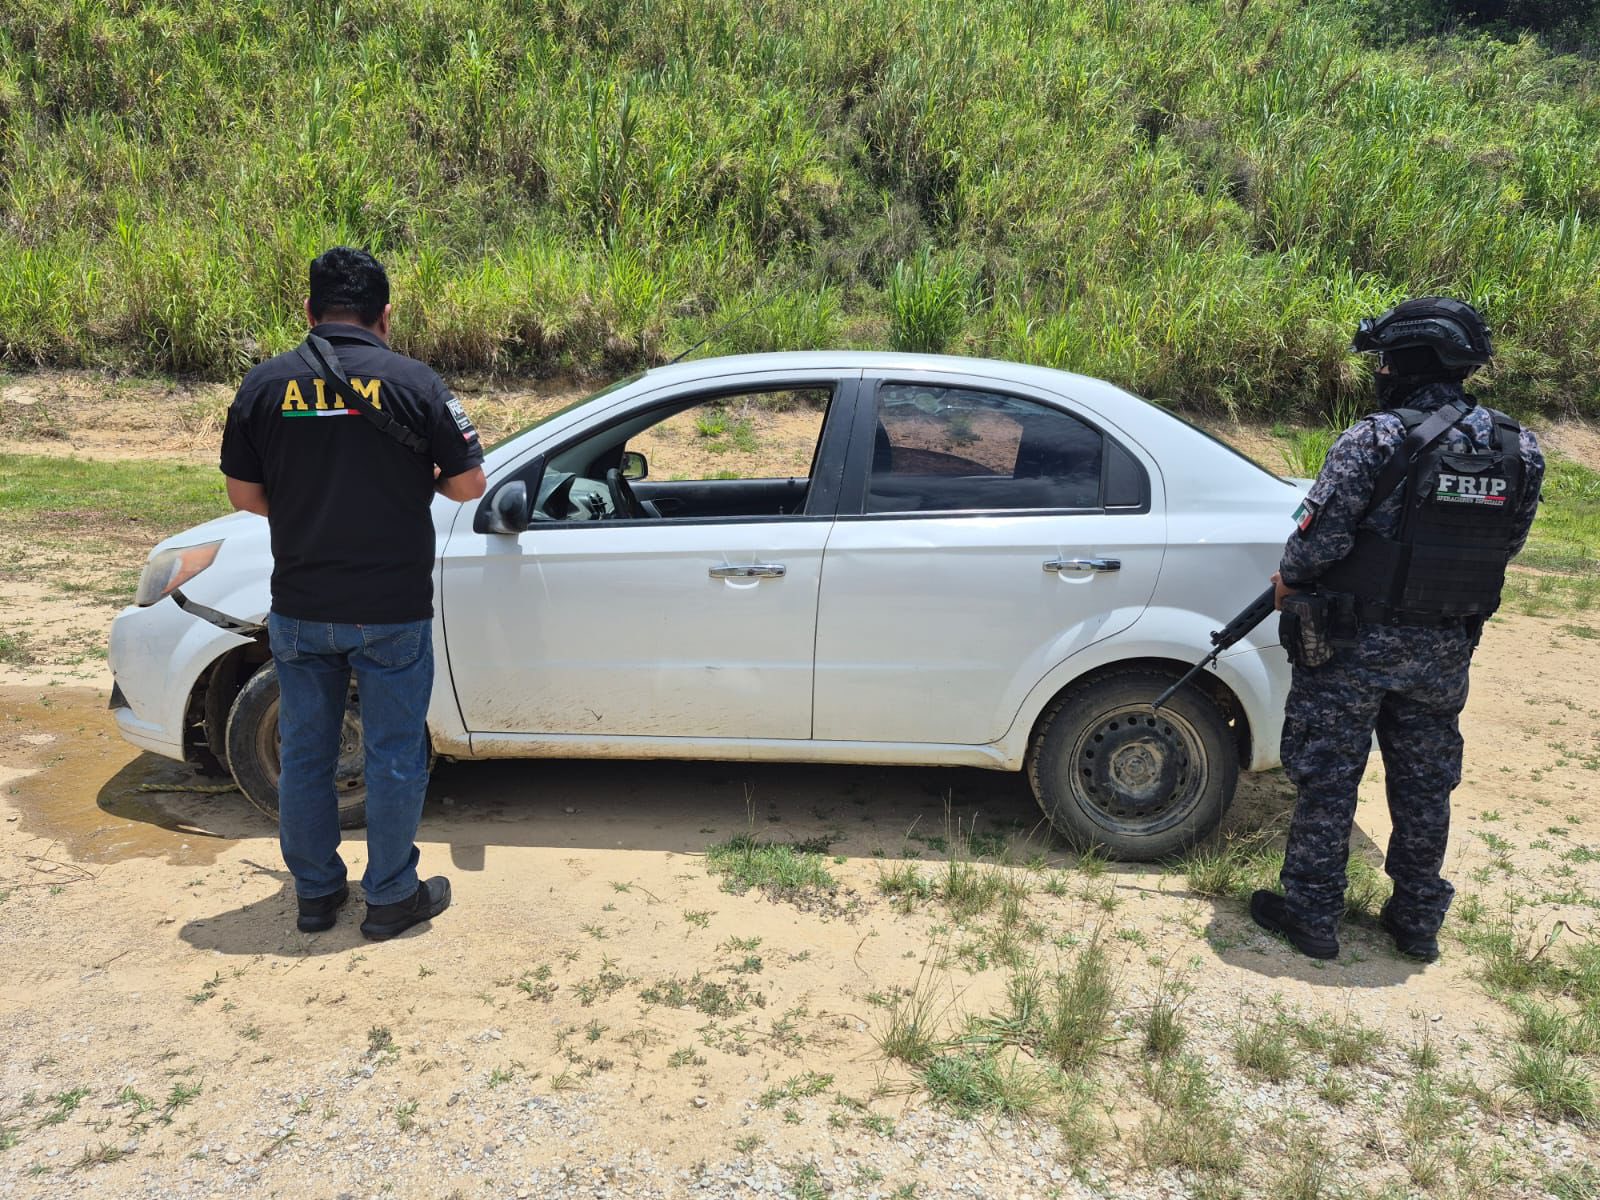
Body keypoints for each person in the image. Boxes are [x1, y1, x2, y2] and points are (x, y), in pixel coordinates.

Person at [1250, 297, 1544, 963]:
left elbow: (1312, 550)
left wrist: (1292, 578)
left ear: (1409, 360)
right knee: (1424, 782)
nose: (1379, 370)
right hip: (1444, 649)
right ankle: (1416, 920)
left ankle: (1312, 913)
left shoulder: (1373, 440)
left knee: (1328, 777)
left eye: (1385, 358)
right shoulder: (1517, 447)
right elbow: (1510, 544)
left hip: (1353, 646)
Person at [220, 247, 486, 940]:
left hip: (303, 606)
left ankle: (315, 894)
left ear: (308, 311)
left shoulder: (264, 385)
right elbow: (468, 486)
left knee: (307, 752)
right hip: (391, 608)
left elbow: (243, 493)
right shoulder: (418, 384)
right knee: (392, 753)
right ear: (385, 316)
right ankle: (391, 896)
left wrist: (313, 505)